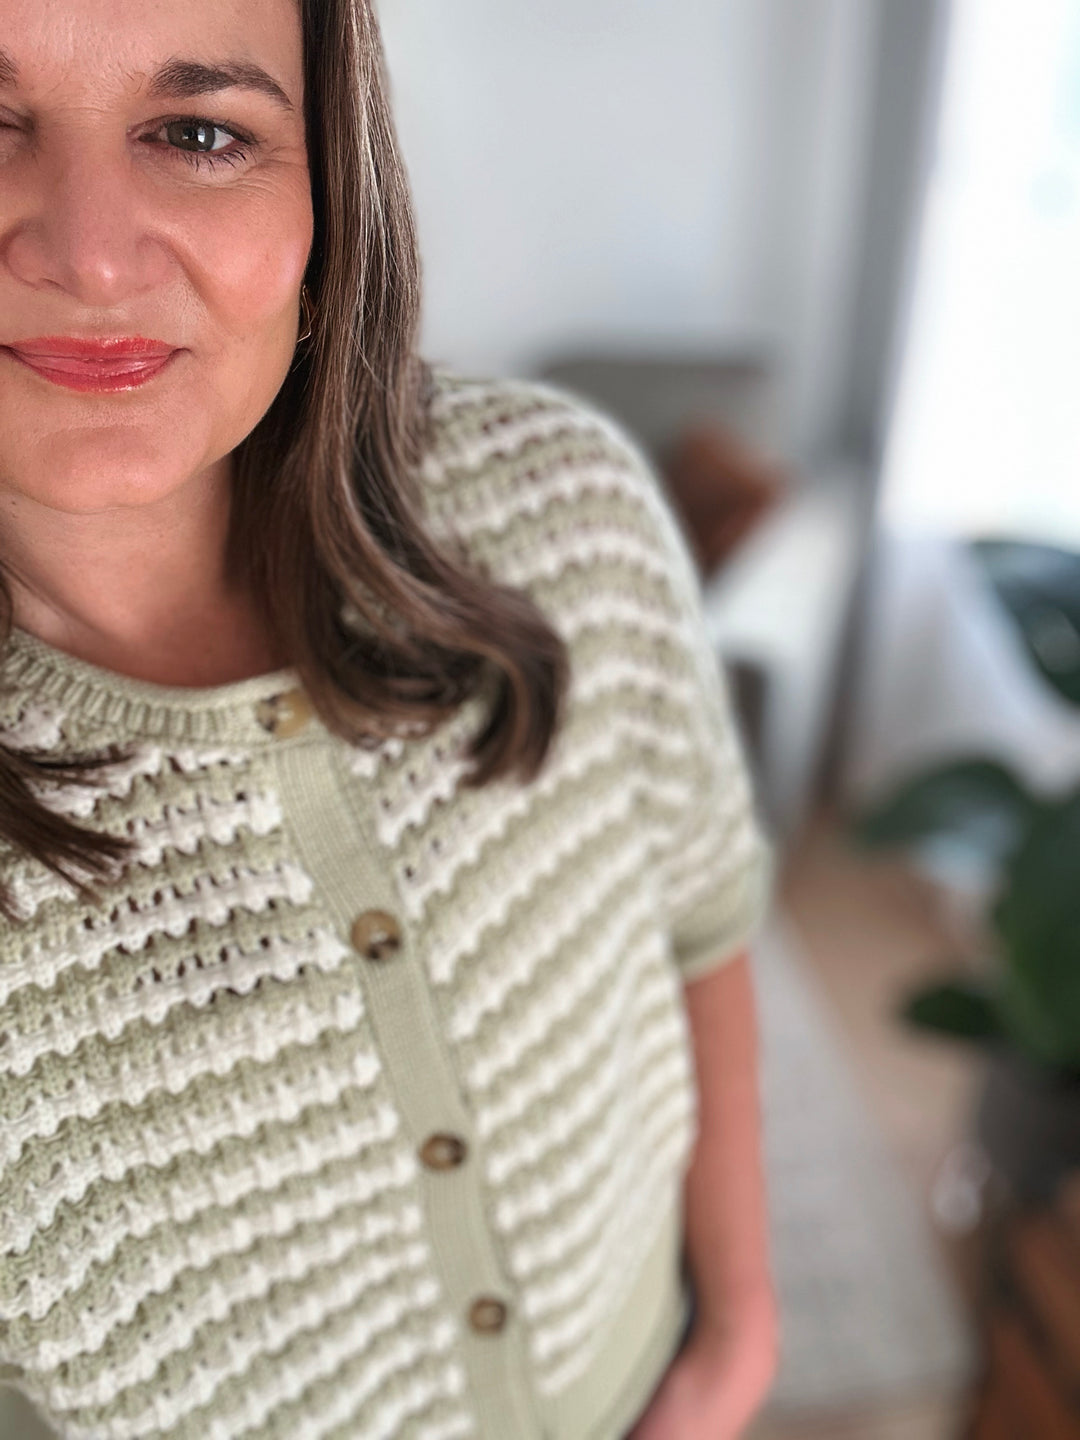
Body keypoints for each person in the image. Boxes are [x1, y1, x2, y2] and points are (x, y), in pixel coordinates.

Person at [0, 1, 778, 1436]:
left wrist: (735, 1338)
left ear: (327, 193)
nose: (92, 253)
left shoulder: (566, 510)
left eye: (199, 133)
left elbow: (704, 915)